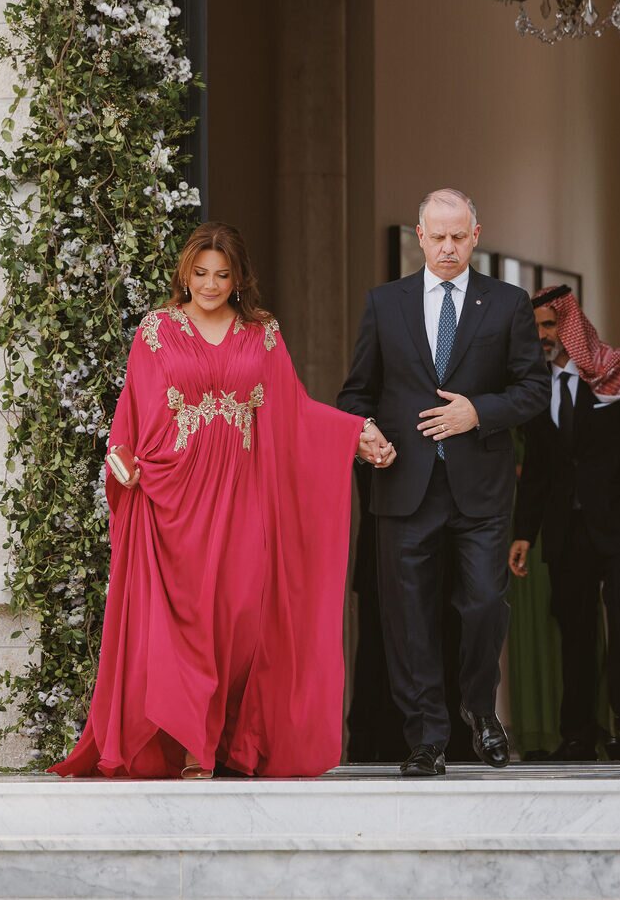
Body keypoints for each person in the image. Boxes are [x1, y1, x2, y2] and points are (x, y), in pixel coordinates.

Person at [50, 222, 392, 781]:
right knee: (186, 624)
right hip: (172, 498)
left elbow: (295, 410)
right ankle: (194, 747)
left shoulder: (262, 333)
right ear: (185, 274)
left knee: (239, 619)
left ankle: (232, 740)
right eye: (201, 273)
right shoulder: (156, 331)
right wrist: (121, 460)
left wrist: (356, 431)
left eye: (222, 275)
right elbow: (130, 414)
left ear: (239, 279)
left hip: (243, 498)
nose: (210, 285)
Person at [338, 189, 550, 776]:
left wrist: (477, 411)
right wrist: (363, 433)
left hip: (480, 488)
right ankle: (427, 738)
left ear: (476, 235)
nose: (449, 247)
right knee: (409, 620)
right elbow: (356, 395)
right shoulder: (385, 303)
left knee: (483, 605)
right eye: (438, 237)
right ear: (421, 236)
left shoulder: (507, 303)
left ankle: (478, 706)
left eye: (459, 236)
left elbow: (534, 389)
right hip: (403, 485)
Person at [509, 285, 620, 763]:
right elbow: (539, 471)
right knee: (575, 629)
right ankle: (577, 736)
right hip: (566, 530)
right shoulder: (534, 386)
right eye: (535, 328)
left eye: (550, 324)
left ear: (569, 325)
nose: (542, 335)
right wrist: (523, 532)